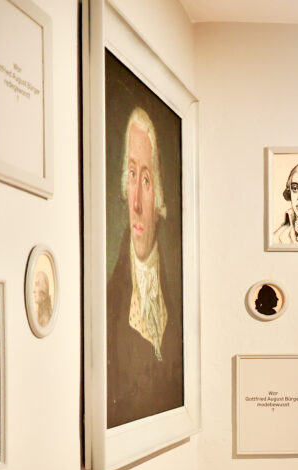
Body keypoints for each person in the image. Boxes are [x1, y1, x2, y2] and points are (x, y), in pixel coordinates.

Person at [106, 106, 184, 428]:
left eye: (147, 180)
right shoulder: (111, 302)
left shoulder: (177, 292)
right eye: (131, 174)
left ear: (160, 198)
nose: (135, 202)